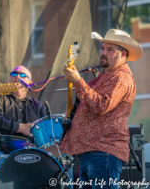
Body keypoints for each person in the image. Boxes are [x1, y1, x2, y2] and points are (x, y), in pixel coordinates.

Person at [60, 29, 142, 189]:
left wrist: (78, 81)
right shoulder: (107, 75)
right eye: (103, 48)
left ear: (123, 54)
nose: (103, 53)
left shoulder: (120, 77)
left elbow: (101, 105)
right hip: (93, 150)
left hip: (103, 151)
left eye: (110, 50)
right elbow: (90, 103)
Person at [0, 66, 46, 165]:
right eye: (14, 74)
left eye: (23, 75)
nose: (18, 76)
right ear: (8, 79)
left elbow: (44, 130)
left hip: (26, 151)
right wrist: (21, 128)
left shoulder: (37, 106)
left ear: (30, 84)